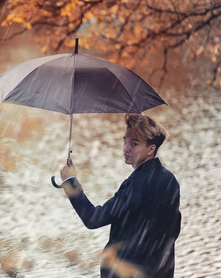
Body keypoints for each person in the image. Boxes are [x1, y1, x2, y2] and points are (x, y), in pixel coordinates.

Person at [60, 113, 181, 278]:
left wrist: (70, 181)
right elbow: (173, 230)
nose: (126, 148)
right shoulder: (170, 180)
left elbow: (94, 218)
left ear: (151, 149)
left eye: (134, 143)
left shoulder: (136, 184)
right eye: (125, 141)